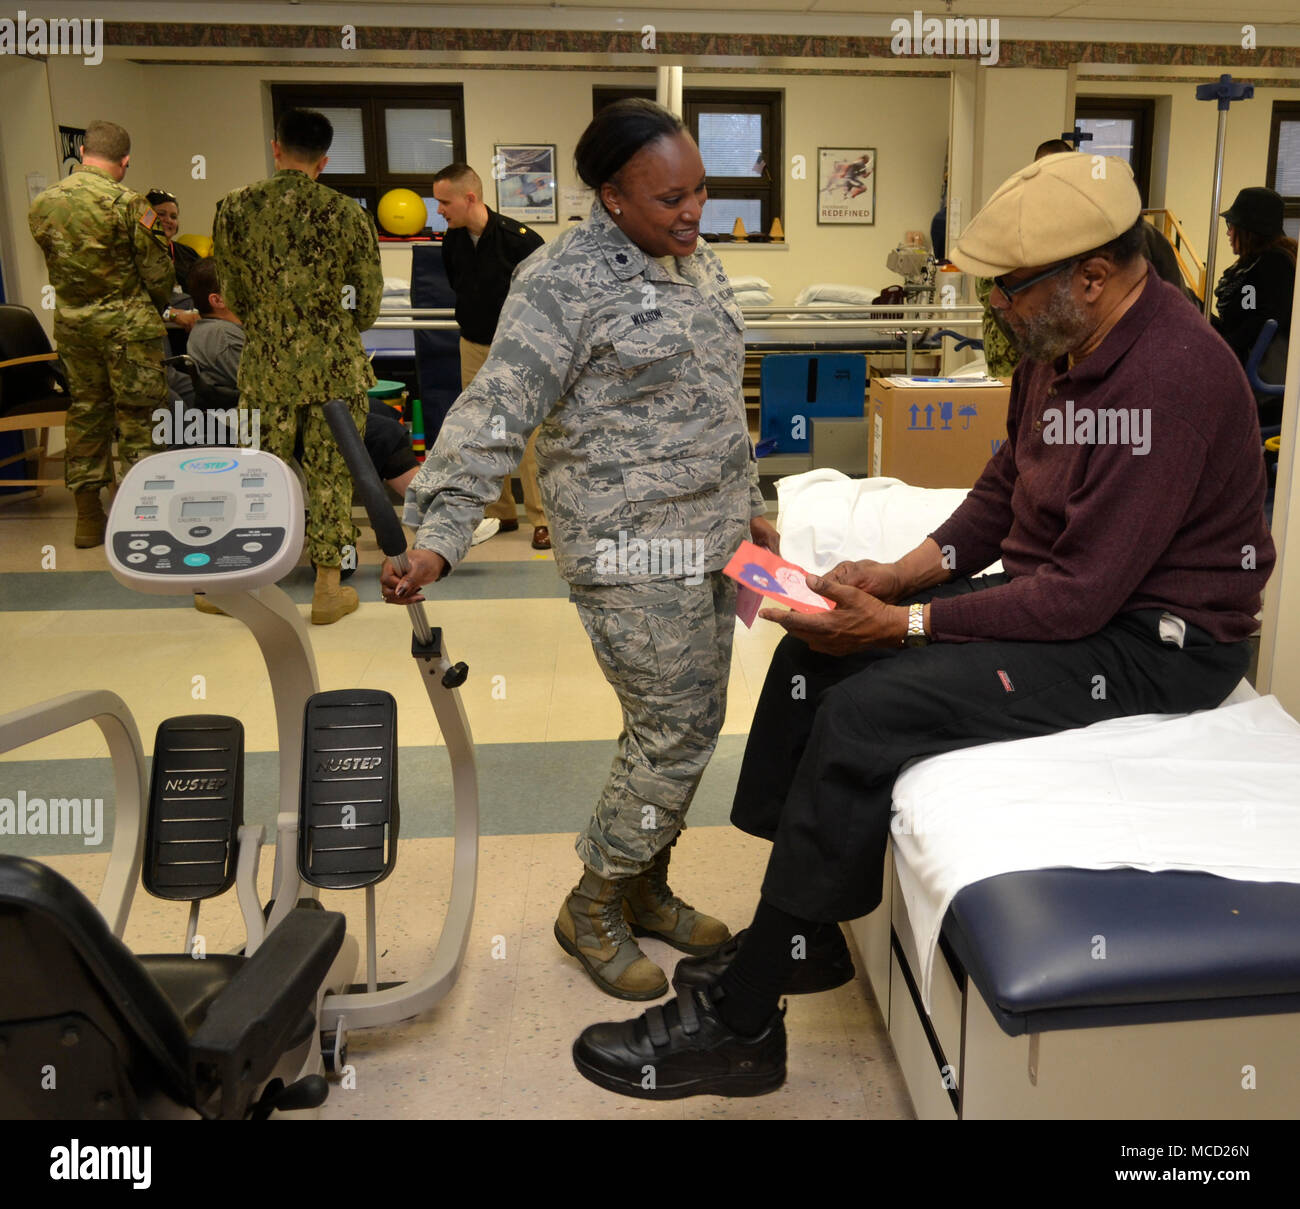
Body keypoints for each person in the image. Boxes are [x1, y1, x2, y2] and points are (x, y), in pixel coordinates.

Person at [569, 151, 1275, 1099]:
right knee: (812, 657)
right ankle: (805, 934)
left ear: (1095, 275)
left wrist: (901, 628)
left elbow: (1077, 598)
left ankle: (743, 1024)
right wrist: (894, 577)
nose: (999, 311)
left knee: (869, 713)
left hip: (1151, 644)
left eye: (1012, 291)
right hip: (1072, 597)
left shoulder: (1173, 376)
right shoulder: (1059, 347)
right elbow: (1000, 492)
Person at [385, 99, 780, 1000]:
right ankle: (594, 900)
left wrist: (749, 504)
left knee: (683, 722)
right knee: (676, 728)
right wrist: (438, 537)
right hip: (629, 546)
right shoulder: (559, 283)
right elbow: (493, 411)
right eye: (669, 198)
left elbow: (718, 395)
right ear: (610, 197)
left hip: (713, 536)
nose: (693, 213)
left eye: (701, 192)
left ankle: (647, 883)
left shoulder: (692, 261)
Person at [214, 108, 383, 625]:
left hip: (266, 370)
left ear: (275, 147)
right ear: (324, 160)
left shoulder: (234, 209)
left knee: (258, 474)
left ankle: (236, 580)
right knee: (332, 476)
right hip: (336, 370)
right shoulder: (346, 213)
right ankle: (328, 588)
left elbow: (232, 293)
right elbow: (367, 304)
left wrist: (272, 322)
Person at [28, 119, 174, 549]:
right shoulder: (130, 204)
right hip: (127, 329)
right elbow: (158, 274)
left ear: (83, 153)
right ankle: (141, 519)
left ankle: (89, 520)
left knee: (86, 414)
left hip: (74, 329)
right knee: (138, 419)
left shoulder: (43, 203)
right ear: (124, 161)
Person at [186, 256, 420, 497]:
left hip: (274, 411)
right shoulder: (221, 337)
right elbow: (271, 387)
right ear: (218, 300)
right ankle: (424, 510)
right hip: (269, 420)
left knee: (378, 410)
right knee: (384, 431)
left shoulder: (225, 330)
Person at [431, 162, 551, 550]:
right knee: (486, 431)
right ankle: (501, 510)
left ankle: (542, 518)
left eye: (444, 202)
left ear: (470, 197)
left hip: (518, 351)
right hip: (474, 346)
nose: (440, 211)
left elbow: (545, 298)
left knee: (528, 435)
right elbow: (460, 288)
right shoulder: (451, 241)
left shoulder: (520, 241)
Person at [1211, 186, 1297, 425]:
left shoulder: (1275, 263)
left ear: (1249, 231)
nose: (1228, 233)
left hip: (1263, 383)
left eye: (1231, 226)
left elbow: (1262, 319)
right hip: (1243, 364)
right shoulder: (1252, 263)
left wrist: (1221, 347)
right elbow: (1244, 315)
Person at [144, 188, 202, 296]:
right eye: (161, 214)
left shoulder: (189, 254)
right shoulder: (135, 252)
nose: (169, 220)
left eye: (173, 217)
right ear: (146, 217)